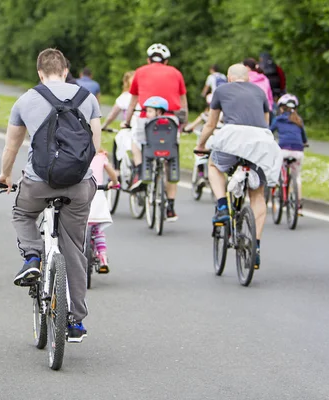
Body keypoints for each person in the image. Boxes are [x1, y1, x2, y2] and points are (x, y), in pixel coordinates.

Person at [0, 48, 101, 342]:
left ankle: (32, 256)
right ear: (66, 70)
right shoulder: (87, 98)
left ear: (39, 72)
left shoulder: (26, 100)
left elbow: (12, 148)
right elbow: (94, 145)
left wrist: (5, 176)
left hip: (39, 182)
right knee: (74, 250)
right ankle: (76, 321)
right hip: (79, 184)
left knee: (22, 213)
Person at [195, 64, 282, 270]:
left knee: (214, 164)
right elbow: (266, 123)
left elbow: (210, 124)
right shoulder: (260, 92)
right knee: (258, 195)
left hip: (232, 136)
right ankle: (256, 247)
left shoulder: (221, 90)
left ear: (229, 77)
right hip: (261, 140)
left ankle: (223, 205)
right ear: (248, 79)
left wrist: (200, 145)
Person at [123, 43, 188, 221]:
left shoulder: (140, 71)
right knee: (170, 158)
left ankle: (139, 171)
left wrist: (127, 121)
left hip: (147, 119)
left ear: (148, 59)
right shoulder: (176, 73)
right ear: (166, 60)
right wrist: (185, 123)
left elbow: (132, 101)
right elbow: (183, 103)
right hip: (171, 121)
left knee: (136, 143)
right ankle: (171, 208)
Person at [269, 94, 307, 213]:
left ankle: (278, 185)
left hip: (283, 150)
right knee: (297, 176)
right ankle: (299, 205)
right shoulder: (298, 120)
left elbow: (270, 131)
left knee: (279, 168)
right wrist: (304, 143)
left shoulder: (278, 119)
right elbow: (304, 137)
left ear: (281, 108)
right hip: (298, 151)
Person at [88, 150, 119, 273]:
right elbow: (112, 173)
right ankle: (102, 256)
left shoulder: (75, 153)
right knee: (97, 230)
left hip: (80, 193)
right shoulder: (101, 157)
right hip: (97, 194)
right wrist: (115, 183)